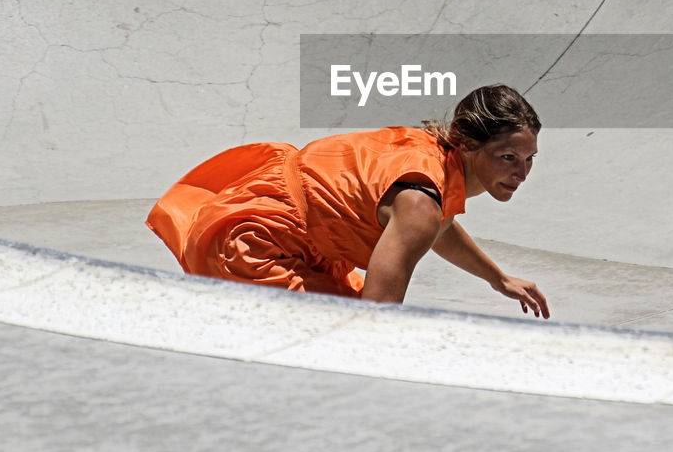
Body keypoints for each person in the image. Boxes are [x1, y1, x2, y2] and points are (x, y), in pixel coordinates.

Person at [145, 84, 549, 318]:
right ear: (466, 144)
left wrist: (497, 277)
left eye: (529, 158)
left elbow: (440, 227)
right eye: (508, 158)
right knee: (330, 339)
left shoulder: (434, 160)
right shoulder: (421, 204)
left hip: (279, 225)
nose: (521, 173)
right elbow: (377, 317)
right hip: (256, 243)